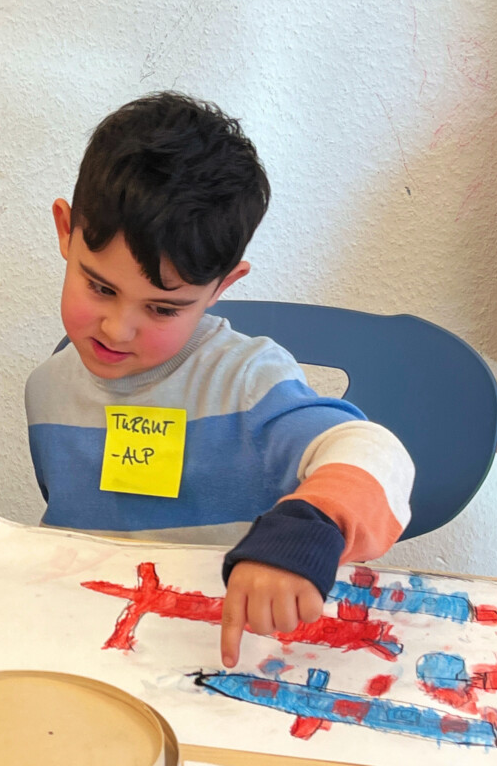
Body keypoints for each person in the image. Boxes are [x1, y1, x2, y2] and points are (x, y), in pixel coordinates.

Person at [25, 92, 413, 667]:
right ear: (65, 230)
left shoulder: (248, 382)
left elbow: (378, 453)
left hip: (219, 658)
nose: (117, 327)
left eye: (162, 309)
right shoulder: (48, 389)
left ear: (222, 287)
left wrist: (305, 529)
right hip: (90, 649)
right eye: (100, 287)